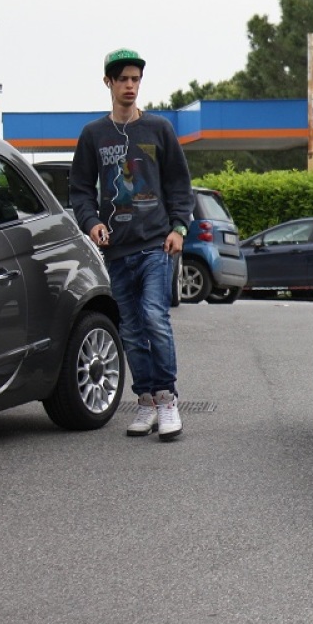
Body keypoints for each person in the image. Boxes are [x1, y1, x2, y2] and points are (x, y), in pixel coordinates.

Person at [70, 48, 195, 441]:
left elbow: (179, 184)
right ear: (108, 82)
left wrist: (179, 228)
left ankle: (167, 399)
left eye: (135, 79)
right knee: (131, 330)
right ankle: (144, 401)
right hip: (116, 251)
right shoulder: (93, 135)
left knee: (155, 318)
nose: (129, 86)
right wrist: (91, 224)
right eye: (122, 79)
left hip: (156, 245)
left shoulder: (159, 129)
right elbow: (79, 191)